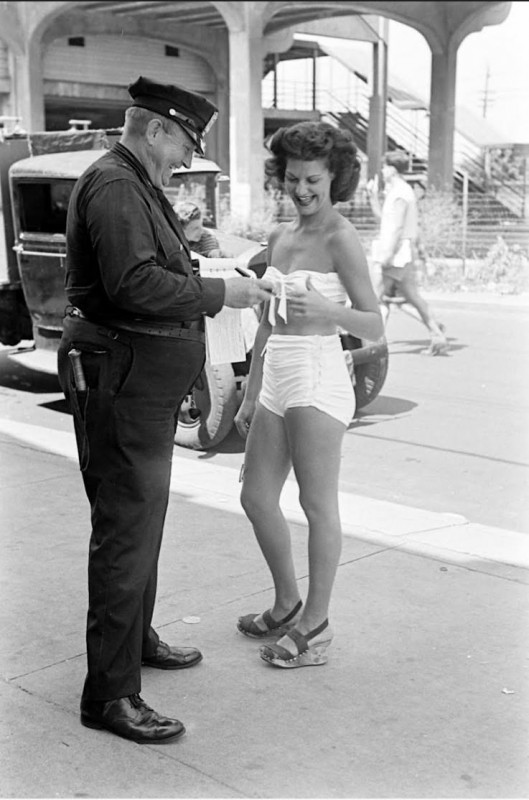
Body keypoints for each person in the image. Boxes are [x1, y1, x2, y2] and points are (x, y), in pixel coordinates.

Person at [57, 75, 272, 744]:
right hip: (121, 375)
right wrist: (218, 295)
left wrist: (200, 259)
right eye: (183, 142)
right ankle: (111, 695)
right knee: (126, 528)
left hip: (134, 377)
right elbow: (133, 283)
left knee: (139, 521)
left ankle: (134, 640)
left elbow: (153, 263)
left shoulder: (132, 181)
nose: (184, 157)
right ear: (154, 129)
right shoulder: (119, 184)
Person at [234, 121, 384, 669]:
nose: (302, 190)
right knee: (255, 496)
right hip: (276, 374)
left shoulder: (341, 238)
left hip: (318, 376)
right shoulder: (279, 236)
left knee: (316, 504)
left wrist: (330, 312)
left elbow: (374, 325)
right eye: (293, 178)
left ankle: (315, 624)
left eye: (313, 179)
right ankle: (286, 602)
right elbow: (269, 324)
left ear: (334, 178)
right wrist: (250, 393)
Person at [366, 150, 448, 355]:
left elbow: (397, 228)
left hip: (395, 254)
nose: (383, 171)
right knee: (410, 297)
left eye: (385, 167)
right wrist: (373, 196)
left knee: (375, 299)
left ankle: (372, 345)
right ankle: (437, 334)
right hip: (401, 254)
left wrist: (387, 254)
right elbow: (384, 221)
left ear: (392, 169)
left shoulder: (400, 194)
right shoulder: (397, 192)